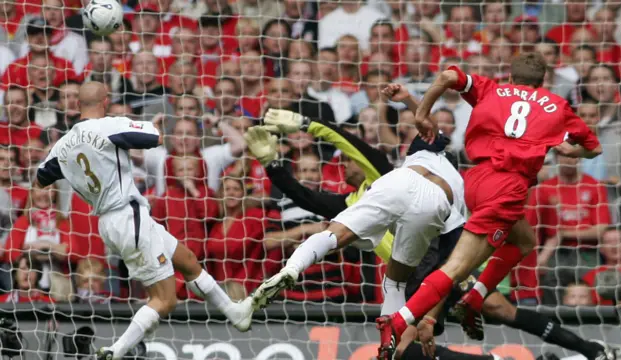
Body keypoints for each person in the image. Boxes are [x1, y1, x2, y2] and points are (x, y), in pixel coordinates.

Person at [376, 52, 602, 357]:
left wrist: (421, 113)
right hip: (507, 188)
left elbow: (446, 76)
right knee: (456, 267)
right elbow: (594, 148)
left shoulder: (492, 89)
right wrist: (572, 152)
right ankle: (399, 321)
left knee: (524, 240)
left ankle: (475, 297)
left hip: (476, 179)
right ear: (542, 82)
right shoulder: (557, 106)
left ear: (510, 77)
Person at [34, 82, 254, 360]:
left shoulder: (62, 145)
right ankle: (115, 351)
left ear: (77, 105)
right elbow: (156, 138)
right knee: (165, 299)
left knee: (186, 261)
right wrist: (151, 124)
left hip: (111, 221)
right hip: (128, 216)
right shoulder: (110, 126)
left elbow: (41, 178)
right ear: (105, 102)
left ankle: (234, 311)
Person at [248, 107, 467, 319]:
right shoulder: (351, 202)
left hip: (435, 254)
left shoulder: (381, 173)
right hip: (410, 275)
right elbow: (305, 197)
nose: (344, 164)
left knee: (470, 307)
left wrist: (306, 123)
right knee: (414, 337)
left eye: (349, 160)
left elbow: (346, 140)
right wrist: (272, 165)